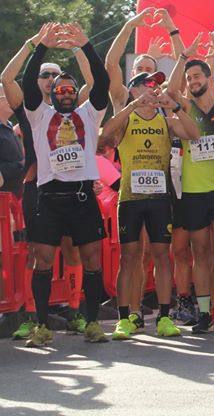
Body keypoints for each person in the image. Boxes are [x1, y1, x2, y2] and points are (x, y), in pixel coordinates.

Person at [20, 23, 112, 346]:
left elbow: (102, 81)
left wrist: (86, 45)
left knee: (92, 260)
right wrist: (41, 45)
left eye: (71, 90)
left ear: (77, 94)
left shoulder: (90, 114)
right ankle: (42, 325)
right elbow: (28, 84)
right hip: (49, 197)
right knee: (42, 259)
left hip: (82, 197)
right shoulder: (39, 115)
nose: (66, 94)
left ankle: (91, 323)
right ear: (53, 94)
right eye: (60, 90)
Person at [3, 33, 98, 338]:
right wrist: (34, 43)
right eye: (45, 75)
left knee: (74, 249)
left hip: (74, 185)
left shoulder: (74, 108)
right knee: (37, 252)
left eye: (56, 76)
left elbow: (97, 87)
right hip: (38, 185)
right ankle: (33, 317)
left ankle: (74, 310)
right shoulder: (30, 108)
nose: (51, 80)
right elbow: (9, 78)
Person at [100, 71, 198, 339]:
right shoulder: (127, 117)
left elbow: (194, 133)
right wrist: (130, 107)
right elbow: (105, 135)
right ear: (133, 90)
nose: (153, 89)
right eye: (147, 84)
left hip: (159, 199)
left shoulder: (165, 120)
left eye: (156, 85)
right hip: (130, 199)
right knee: (128, 257)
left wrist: (174, 107)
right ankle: (125, 318)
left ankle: (164, 317)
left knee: (160, 256)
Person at [165, 35, 214, 333]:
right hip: (194, 193)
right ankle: (202, 313)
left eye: (198, 75)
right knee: (201, 254)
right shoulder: (184, 108)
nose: (192, 80)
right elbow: (170, 90)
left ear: (209, 78)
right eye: (189, 77)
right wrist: (184, 56)